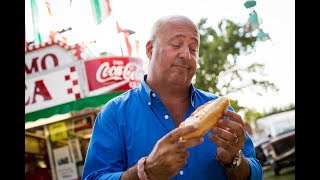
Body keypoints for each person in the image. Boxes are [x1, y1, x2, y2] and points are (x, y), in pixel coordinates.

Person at [82, 15, 263, 180]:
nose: (186, 54)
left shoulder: (222, 111)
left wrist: (233, 159)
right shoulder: (114, 113)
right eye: (176, 45)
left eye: (193, 48)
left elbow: (255, 172)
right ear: (150, 49)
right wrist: (146, 172)